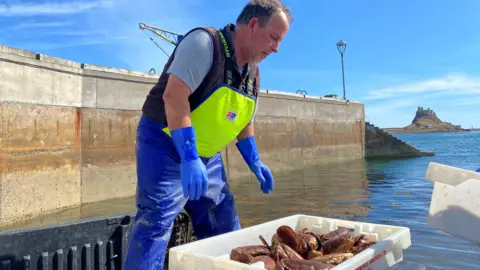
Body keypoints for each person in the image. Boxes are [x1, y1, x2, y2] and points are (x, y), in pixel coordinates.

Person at [123, 1, 292, 269]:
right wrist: (189, 157)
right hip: (164, 146)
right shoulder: (205, 43)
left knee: (223, 219)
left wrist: (255, 161)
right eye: (274, 38)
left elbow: (243, 120)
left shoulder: (253, 73)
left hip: (207, 157)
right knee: (156, 221)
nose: (276, 48)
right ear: (253, 25)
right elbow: (174, 96)